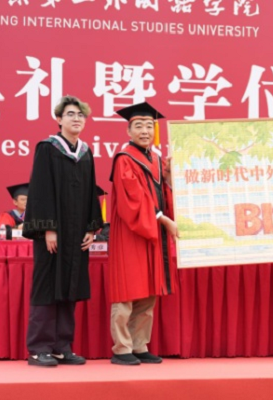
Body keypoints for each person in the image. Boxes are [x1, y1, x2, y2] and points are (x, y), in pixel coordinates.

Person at [22, 95, 103, 367]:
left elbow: (91, 192)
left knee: (70, 285)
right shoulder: (48, 148)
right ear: (59, 119)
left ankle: (62, 346)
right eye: (70, 114)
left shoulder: (85, 152)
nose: (76, 119)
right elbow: (41, 189)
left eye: (80, 115)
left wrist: (91, 227)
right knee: (47, 286)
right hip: (53, 235)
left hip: (76, 233)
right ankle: (39, 348)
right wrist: (48, 228)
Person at [108, 102, 179, 366]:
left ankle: (139, 345)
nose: (145, 131)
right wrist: (163, 220)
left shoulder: (157, 160)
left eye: (150, 126)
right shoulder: (124, 159)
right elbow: (134, 200)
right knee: (127, 291)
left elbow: (163, 194)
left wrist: (169, 178)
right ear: (129, 131)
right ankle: (121, 348)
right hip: (132, 233)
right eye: (138, 126)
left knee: (149, 291)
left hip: (153, 232)